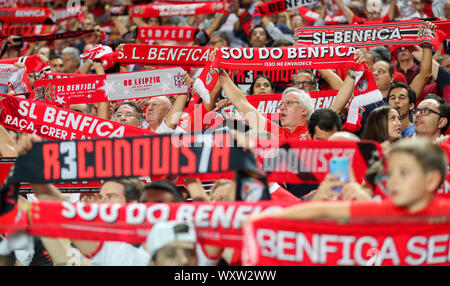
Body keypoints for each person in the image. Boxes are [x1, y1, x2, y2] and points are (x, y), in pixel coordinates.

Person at [251, 138, 448, 221]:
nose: (393, 181)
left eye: (403, 173)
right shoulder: (382, 208)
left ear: (432, 181)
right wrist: (262, 219)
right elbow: (320, 209)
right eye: (390, 174)